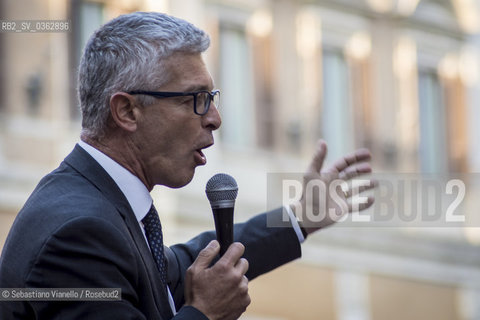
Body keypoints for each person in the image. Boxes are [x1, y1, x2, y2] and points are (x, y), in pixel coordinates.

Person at [0, 12, 374, 320]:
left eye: (211, 98)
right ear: (127, 111)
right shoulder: (80, 233)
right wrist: (204, 313)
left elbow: (183, 268)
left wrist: (300, 218)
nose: (214, 118)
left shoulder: (100, 203)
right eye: (195, 100)